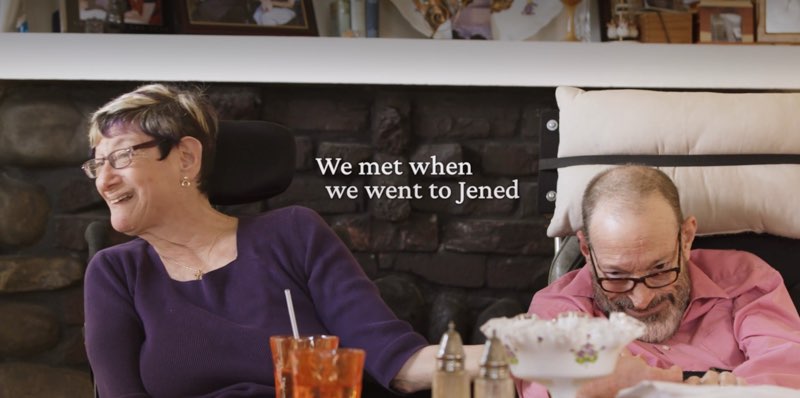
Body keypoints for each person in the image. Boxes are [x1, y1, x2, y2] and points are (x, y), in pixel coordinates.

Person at [82, 83, 481, 397]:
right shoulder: (117, 272)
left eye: (120, 157)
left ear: (186, 157)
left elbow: (401, 365)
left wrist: (521, 352)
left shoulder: (293, 234)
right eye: (96, 166)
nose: (104, 180)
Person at [519, 165, 800, 398]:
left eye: (660, 270)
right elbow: (550, 387)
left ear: (686, 238)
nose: (641, 300)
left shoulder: (745, 279)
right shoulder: (557, 309)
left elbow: (787, 368)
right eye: (616, 276)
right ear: (586, 251)